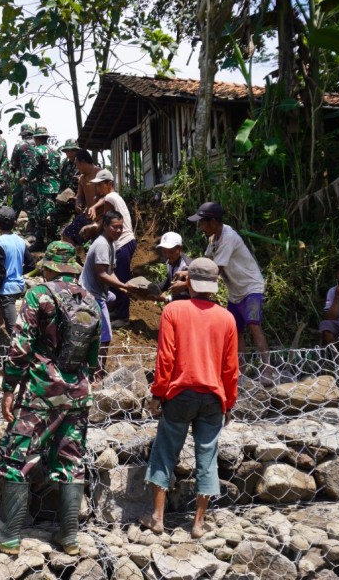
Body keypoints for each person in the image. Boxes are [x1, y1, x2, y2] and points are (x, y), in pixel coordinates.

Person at [0, 241, 101, 555]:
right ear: (72, 267)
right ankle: (69, 536)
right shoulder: (90, 300)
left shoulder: (38, 295)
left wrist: (9, 388)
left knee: (18, 457)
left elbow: (20, 348)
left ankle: (8, 533)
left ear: (47, 267)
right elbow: (95, 357)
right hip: (77, 394)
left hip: (40, 393)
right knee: (71, 460)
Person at [143, 258, 238, 538]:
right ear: (214, 286)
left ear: (189, 282)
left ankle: (157, 518)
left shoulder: (173, 310)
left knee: (164, 452)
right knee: (207, 458)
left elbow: (166, 358)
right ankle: (198, 524)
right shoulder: (226, 318)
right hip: (212, 398)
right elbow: (231, 369)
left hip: (180, 394)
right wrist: (229, 403)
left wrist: (158, 393)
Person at [188, 202, 272, 367]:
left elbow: (214, 270)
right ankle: (239, 369)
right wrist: (189, 272)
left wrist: (188, 282)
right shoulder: (214, 238)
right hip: (235, 292)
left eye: (202, 223)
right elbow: (207, 262)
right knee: (236, 331)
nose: (201, 227)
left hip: (251, 288)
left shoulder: (229, 238)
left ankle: (267, 368)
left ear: (212, 222)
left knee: (254, 326)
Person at [86, 170, 135, 325]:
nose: (98, 188)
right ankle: (116, 311)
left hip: (123, 242)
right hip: (126, 242)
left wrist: (92, 229)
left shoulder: (110, 197)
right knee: (117, 277)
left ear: (109, 184)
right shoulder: (114, 197)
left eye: (101, 185)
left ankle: (123, 316)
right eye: (97, 185)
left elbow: (104, 224)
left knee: (120, 278)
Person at [79, 210, 130, 351]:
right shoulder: (102, 244)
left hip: (99, 291)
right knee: (106, 338)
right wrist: (123, 286)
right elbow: (101, 274)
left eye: (121, 227)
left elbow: (110, 271)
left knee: (112, 297)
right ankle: (99, 372)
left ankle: (94, 326)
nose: (118, 230)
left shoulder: (111, 244)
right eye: (115, 227)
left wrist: (123, 288)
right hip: (91, 293)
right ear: (106, 226)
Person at [0, 206, 36, 334]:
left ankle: (19, 350)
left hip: (8, 291)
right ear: (14, 223)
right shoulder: (20, 241)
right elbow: (31, 264)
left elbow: (0, 273)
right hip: (19, 287)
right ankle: (1, 322)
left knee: (13, 330)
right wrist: (18, 271)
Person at [21, 126, 62, 250]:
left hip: (44, 187)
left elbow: (34, 169)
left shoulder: (37, 150)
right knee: (51, 214)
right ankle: (46, 241)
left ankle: (50, 243)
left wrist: (25, 178)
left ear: (36, 138)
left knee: (43, 215)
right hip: (56, 187)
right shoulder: (55, 151)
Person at [61, 149, 100, 245]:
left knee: (96, 242)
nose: (76, 167)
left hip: (101, 217)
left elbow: (109, 196)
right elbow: (80, 195)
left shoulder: (100, 174)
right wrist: (78, 203)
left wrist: (95, 208)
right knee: (66, 234)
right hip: (87, 216)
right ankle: (74, 257)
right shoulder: (82, 178)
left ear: (82, 162)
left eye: (77, 164)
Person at [154, 232, 192, 302]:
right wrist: (154, 288)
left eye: (171, 252)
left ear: (180, 248)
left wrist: (167, 298)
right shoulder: (170, 261)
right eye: (164, 252)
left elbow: (195, 291)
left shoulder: (188, 265)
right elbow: (170, 281)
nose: (167, 255)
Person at [9, 124, 35, 218]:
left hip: (23, 178)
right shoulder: (39, 144)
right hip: (39, 179)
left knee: (17, 200)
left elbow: (13, 165)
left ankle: (11, 221)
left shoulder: (20, 145)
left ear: (23, 134)